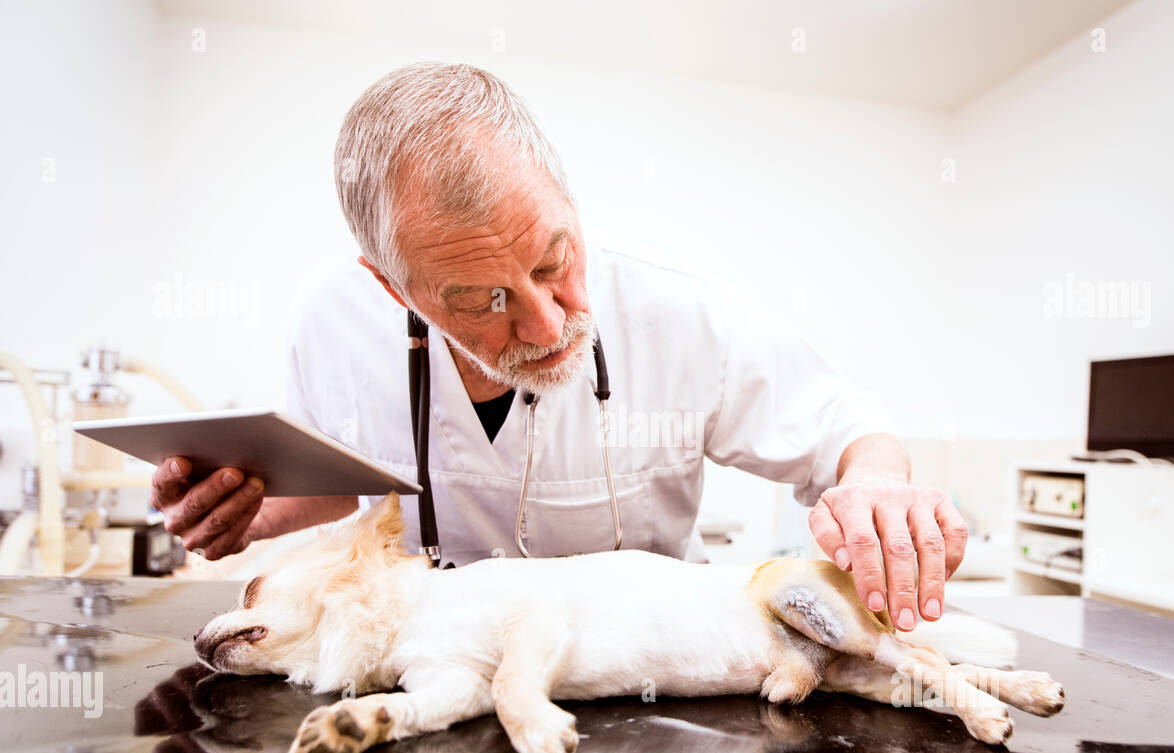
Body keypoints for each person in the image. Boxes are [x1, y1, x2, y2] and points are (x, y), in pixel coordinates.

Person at [149, 62, 968, 633]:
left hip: (650, 690)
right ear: (393, 288)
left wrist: (879, 489)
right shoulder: (333, 322)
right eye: (483, 300)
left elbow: (848, 430)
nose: (546, 326)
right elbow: (350, 481)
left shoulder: (677, 312)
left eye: (554, 262)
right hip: (438, 675)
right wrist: (254, 511)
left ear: (568, 199)